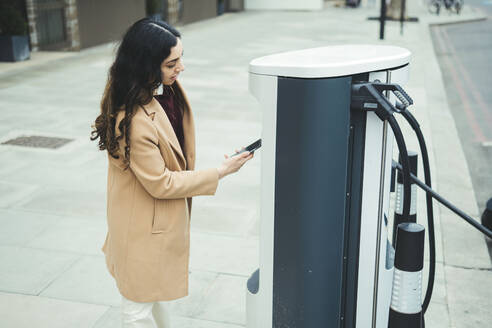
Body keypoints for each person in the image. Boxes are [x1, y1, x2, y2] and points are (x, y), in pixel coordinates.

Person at [90, 18, 254, 327]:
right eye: (172, 63)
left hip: (154, 221)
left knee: (152, 294)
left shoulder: (162, 90)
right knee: (137, 307)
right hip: (142, 226)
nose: (181, 68)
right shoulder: (135, 120)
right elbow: (161, 183)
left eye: (181, 58)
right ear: (147, 66)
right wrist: (219, 172)